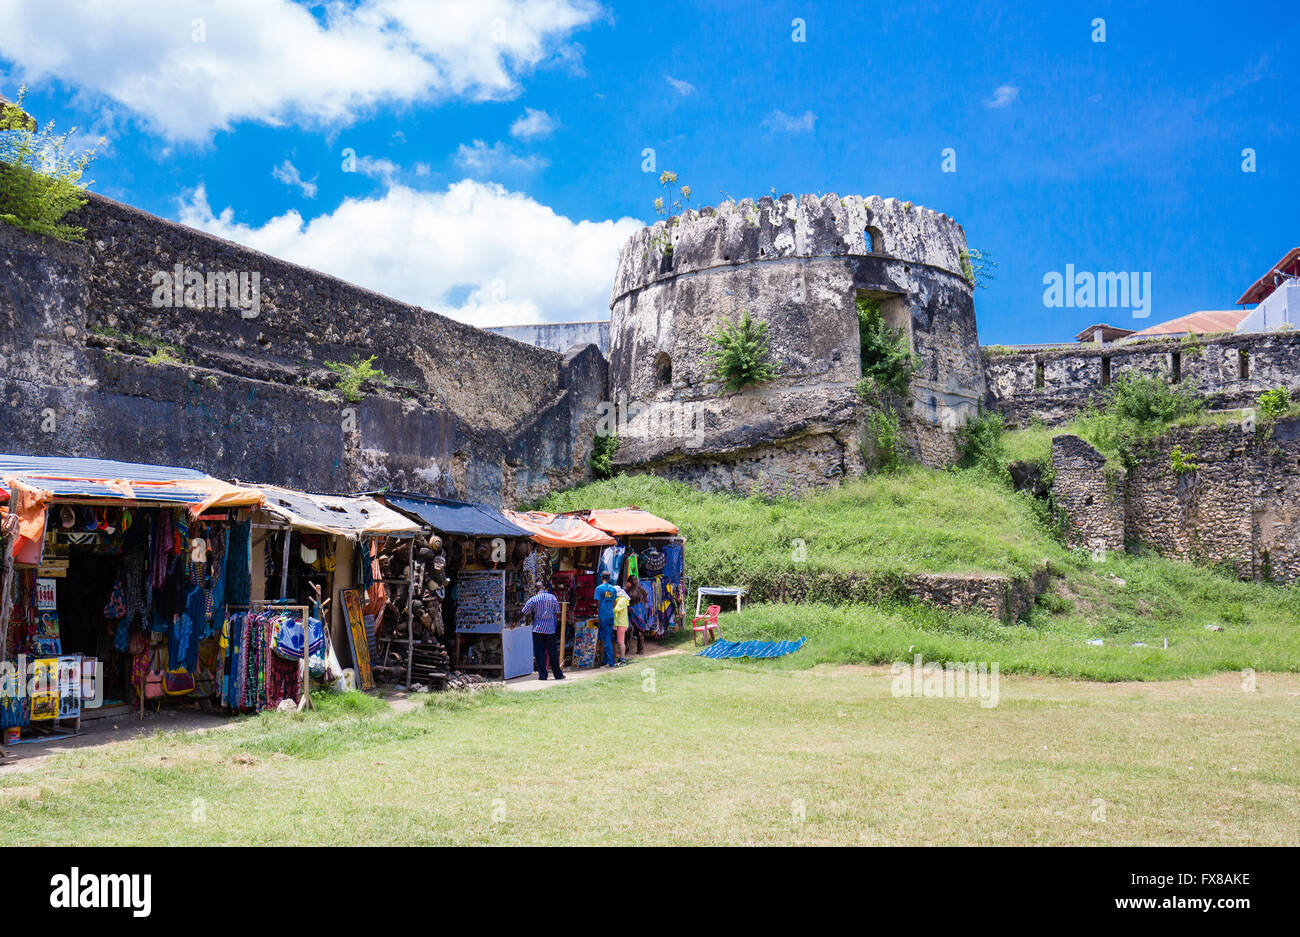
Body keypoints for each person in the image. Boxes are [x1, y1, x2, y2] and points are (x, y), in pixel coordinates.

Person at [519, 580, 564, 680]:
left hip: (538, 629)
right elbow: (557, 612)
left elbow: (523, 611)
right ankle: (558, 674)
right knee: (553, 653)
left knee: (540, 653)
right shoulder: (552, 598)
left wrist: (514, 622)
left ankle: (543, 675)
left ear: (536, 589)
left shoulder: (533, 599)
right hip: (550, 629)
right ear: (544, 588)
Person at [593, 570, 619, 668]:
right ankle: (604, 661)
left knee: (607, 639)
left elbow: (598, 604)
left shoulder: (598, 589)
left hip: (603, 616)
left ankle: (611, 662)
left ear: (601, 577)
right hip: (610, 616)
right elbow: (614, 603)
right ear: (609, 578)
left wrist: (600, 611)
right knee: (605, 638)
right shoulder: (613, 589)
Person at [625, 574, 649, 655]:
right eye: (634, 579)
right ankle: (626, 649)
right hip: (630, 610)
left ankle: (641, 649)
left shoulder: (640, 588)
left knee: (640, 631)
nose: (636, 581)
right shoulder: (627, 590)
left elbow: (646, 595)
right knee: (628, 630)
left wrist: (642, 604)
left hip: (638, 611)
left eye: (636, 579)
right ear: (630, 581)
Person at [613, 586, 630, 666]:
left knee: (620, 642)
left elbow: (617, 609)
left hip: (621, 623)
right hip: (620, 623)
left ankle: (622, 660)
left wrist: (608, 610)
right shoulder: (620, 599)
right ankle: (621, 658)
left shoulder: (622, 600)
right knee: (620, 642)